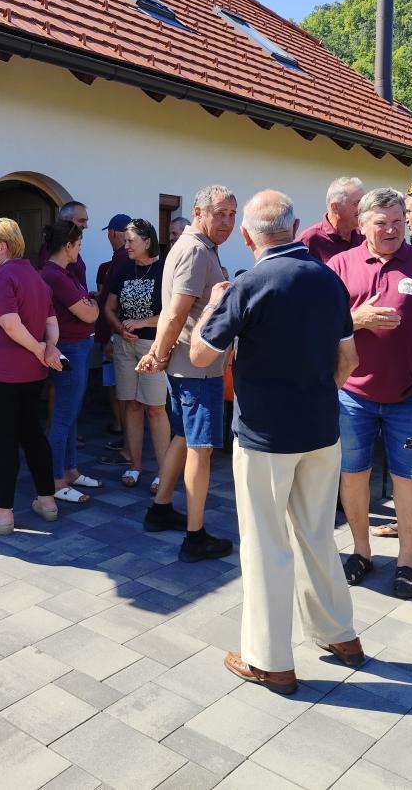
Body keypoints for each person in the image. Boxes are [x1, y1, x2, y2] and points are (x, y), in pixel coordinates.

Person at [191, 190, 365, 692]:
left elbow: (201, 354)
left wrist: (214, 305)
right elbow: (349, 359)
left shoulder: (248, 284)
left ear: (248, 236)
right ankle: (340, 634)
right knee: (317, 534)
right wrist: (317, 394)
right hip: (321, 429)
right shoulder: (328, 279)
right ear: (294, 226)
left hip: (265, 436)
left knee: (266, 545)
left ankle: (269, 660)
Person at [327, 188, 412, 598]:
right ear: (362, 225)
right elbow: (321, 325)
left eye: (398, 221)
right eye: (381, 223)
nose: (392, 229)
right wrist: (355, 319)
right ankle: (361, 551)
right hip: (352, 394)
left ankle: (407, 561)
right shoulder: (339, 265)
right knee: (353, 474)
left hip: (411, 394)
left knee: (409, 478)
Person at [137, 185, 238, 561]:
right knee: (201, 449)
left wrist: (161, 353)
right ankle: (195, 537)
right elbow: (177, 312)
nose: (227, 222)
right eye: (220, 214)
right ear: (199, 213)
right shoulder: (196, 249)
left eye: (232, 214)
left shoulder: (199, 246)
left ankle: (160, 509)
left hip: (189, 368)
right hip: (196, 371)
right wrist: (158, 353)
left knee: (183, 438)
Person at [0, 218, 62, 533]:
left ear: (2, 247)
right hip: (31, 375)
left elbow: (10, 324)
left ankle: (2, 514)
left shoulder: (1, 277)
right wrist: (48, 349)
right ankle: (47, 502)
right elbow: (51, 322)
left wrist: (40, 349)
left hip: (0, 375)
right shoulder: (35, 276)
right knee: (32, 435)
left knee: (4, 443)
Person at [40, 219, 103, 501]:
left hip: (77, 348)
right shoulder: (55, 276)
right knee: (63, 417)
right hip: (70, 349)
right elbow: (89, 313)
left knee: (71, 413)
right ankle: (55, 480)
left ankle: (71, 470)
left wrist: (90, 303)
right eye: (78, 244)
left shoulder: (65, 273)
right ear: (67, 246)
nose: (79, 249)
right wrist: (94, 303)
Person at [106, 218, 170, 489]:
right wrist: (120, 328)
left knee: (155, 408)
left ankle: (164, 472)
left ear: (147, 241)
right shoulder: (123, 270)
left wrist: (142, 323)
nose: (126, 245)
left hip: (152, 347)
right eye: (125, 240)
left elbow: (173, 313)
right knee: (131, 405)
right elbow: (109, 308)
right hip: (125, 346)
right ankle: (135, 465)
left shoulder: (164, 270)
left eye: (131, 241)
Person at [95, 213, 132, 455]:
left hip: (115, 334)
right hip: (117, 332)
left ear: (113, 233)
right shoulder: (122, 258)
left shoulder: (121, 259)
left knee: (119, 386)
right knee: (118, 385)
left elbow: (118, 302)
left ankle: (127, 439)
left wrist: (111, 337)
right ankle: (124, 433)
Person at [297, 177, 365, 263]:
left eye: (364, 203)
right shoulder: (309, 239)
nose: (363, 208)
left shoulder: (365, 235)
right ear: (335, 207)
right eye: (357, 203)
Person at [39, 201, 90, 286]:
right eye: (81, 221)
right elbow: (45, 281)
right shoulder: (52, 248)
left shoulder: (72, 246)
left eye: (86, 221)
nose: (86, 226)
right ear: (66, 220)